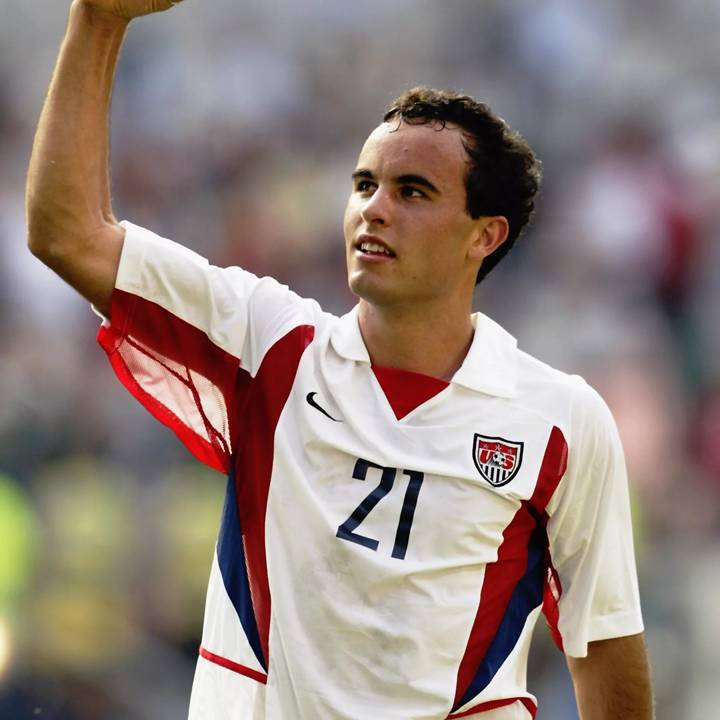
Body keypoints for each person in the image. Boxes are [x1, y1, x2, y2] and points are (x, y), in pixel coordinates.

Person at [26, 1, 654, 718]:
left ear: (486, 235)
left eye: (412, 191)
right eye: (363, 185)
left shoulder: (560, 421)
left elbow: (602, 642)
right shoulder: (270, 345)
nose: (373, 210)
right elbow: (67, 235)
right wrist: (97, 21)